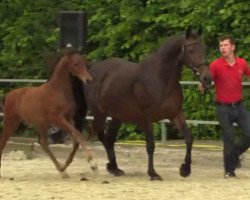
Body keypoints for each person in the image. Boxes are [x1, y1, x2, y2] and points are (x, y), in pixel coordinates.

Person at [199, 35, 250, 178]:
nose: (223, 48)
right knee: (229, 139)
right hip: (223, 108)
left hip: (239, 106)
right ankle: (229, 171)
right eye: (221, 46)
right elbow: (207, 79)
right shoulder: (215, 65)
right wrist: (203, 84)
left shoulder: (242, 63)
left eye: (225, 45)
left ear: (232, 47)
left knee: (249, 133)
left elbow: (249, 73)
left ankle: (236, 154)